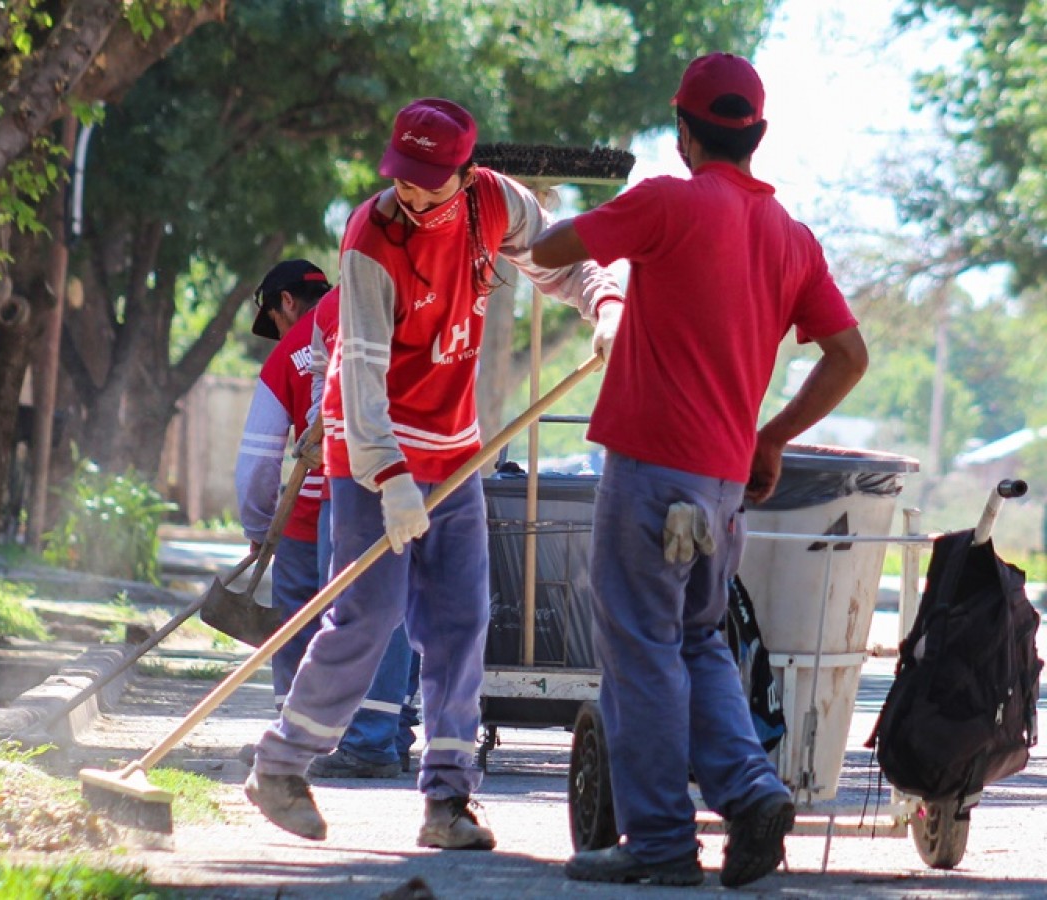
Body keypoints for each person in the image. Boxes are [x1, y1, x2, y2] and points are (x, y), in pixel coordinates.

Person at [246, 97, 625, 850]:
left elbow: (563, 256)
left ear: (464, 170)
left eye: (430, 181)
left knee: (461, 625)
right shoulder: (371, 238)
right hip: (373, 454)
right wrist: (388, 481)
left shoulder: (494, 204)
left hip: (455, 451)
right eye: (403, 178)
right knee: (368, 617)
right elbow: (359, 373)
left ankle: (447, 801)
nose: (412, 194)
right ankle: (279, 766)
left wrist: (605, 302)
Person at [530, 53, 869, 888]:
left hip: (649, 476)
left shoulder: (667, 202)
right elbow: (848, 355)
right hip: (721, 489)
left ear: (685, 134)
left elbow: (548, 249)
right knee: (697, 643)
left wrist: (603, 240)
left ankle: (660, 846)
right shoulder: (792, 238)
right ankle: (751, 793)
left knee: (643, 654)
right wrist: (774, 436)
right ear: (756, 135)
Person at [235, 264, 415, 778]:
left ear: (287, 302)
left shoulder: (291, 353)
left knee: (304, 626)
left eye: (274, 316)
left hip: (321, 508)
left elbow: (256, 464)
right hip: (402, 485)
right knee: (387, 610)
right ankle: (386, 731)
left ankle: (303, 739)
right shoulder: (386, 315)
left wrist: (257, 525)